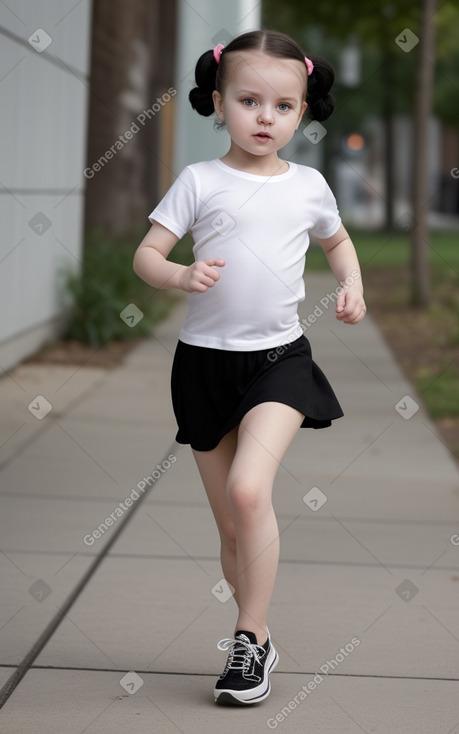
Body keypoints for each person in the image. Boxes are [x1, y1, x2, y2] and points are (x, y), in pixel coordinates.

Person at [133, 29, 366, 706]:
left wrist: (349, 283)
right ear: (217, 102)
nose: (265, 117)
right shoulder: (198, 181)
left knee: (246, 491)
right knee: (232, 528)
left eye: (283, 106)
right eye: (248, 100)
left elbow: (338, 240)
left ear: (301, 111)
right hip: (203, 367)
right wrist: (178, 274)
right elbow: (148, 254)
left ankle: (248, 636)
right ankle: (255, 637)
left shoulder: (309, 186)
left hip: (278, 364)